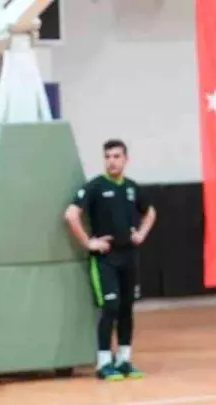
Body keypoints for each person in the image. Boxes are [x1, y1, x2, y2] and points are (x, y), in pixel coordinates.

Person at [64, 139, 157, 381]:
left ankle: (124, 359)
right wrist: (88, 242)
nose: (112, 161)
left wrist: (141, 234)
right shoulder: (95, 187)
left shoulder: (131, 188)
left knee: (127, 308)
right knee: (110, 307)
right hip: (105, 258)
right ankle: (104, 362)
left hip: (129, 256)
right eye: (107, 157)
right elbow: (71, 214)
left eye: (116, 156)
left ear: (126, 159)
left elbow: (150, 211)